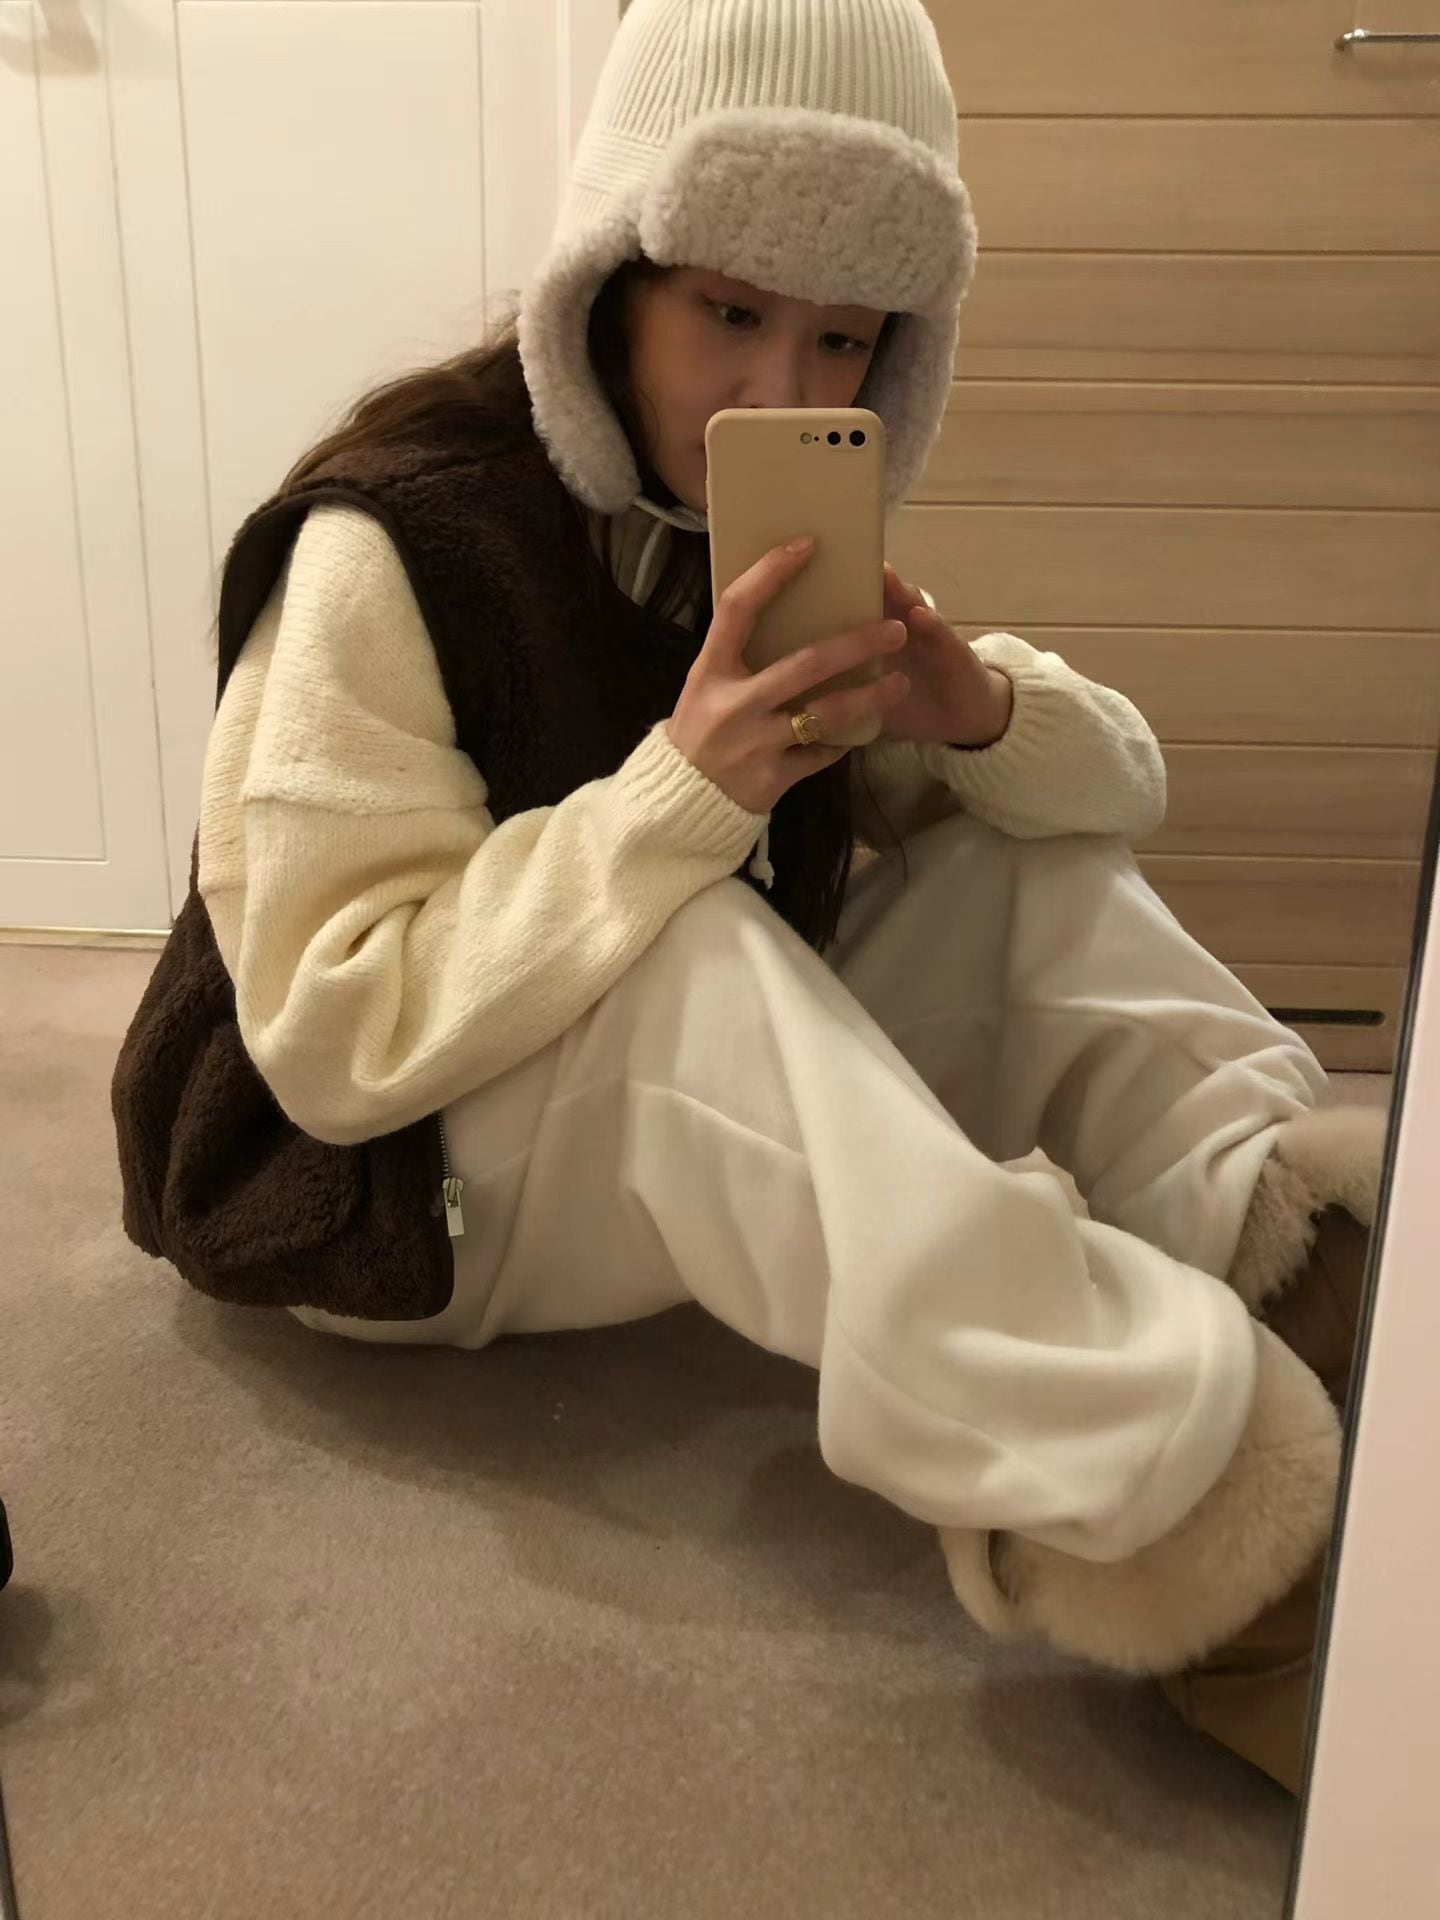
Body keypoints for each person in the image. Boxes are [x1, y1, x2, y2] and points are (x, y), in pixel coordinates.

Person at [112, 0, 1386, 1794]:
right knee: (690, 944)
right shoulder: (388, 542)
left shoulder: (743, 536)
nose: (784, 394)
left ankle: (1300, 1260)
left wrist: (976, 713)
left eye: (843, 337)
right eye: (729, 312)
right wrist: (682, 797)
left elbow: (1116, 797)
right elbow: (334, 1037)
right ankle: (1192, 1508)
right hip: (361, 1189)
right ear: (610, 284)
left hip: (558, 1118)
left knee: (1019, 869)